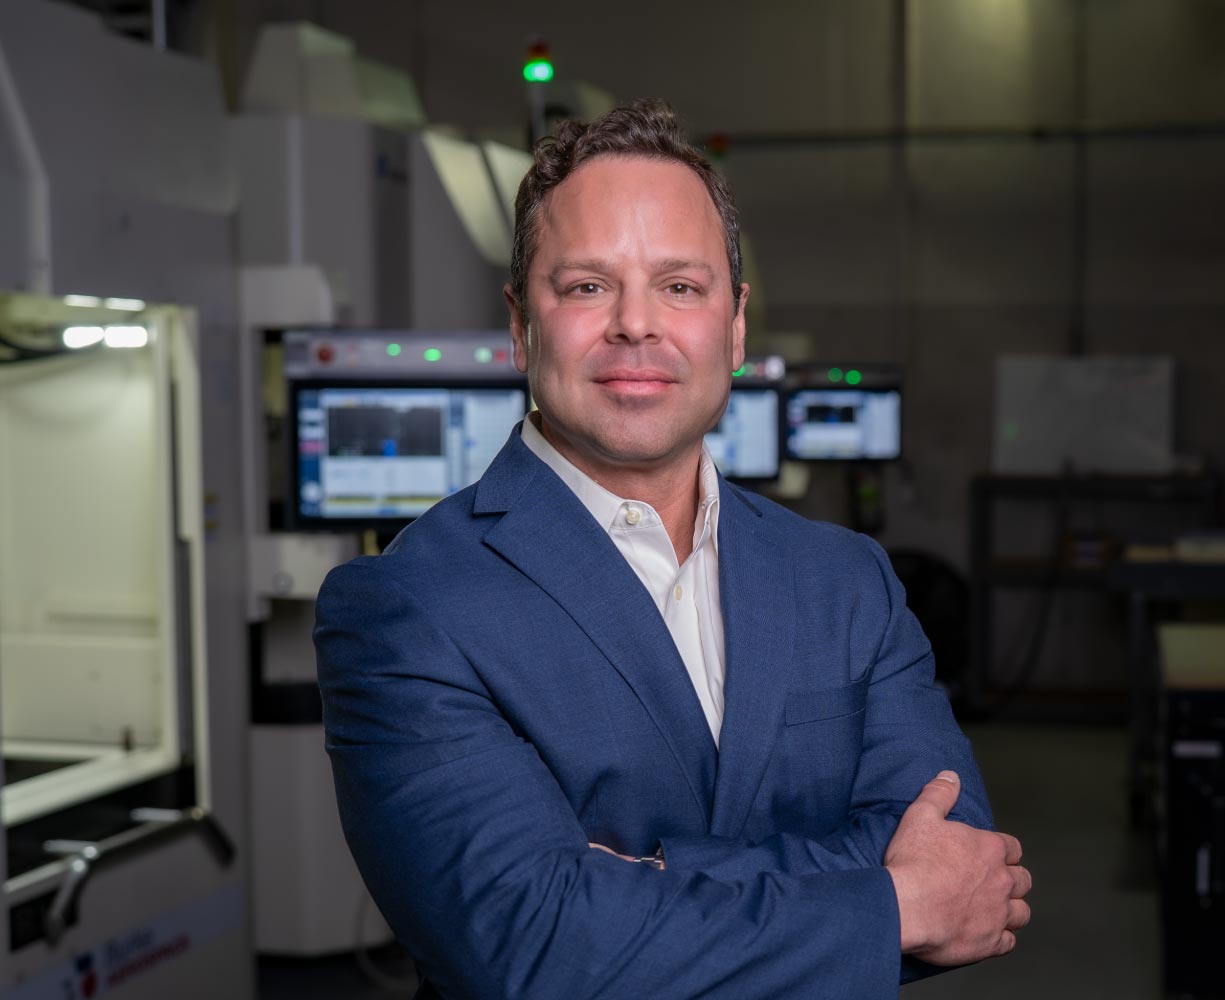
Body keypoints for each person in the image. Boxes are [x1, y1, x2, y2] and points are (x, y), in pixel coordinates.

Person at [315, 98, 1030, 1000]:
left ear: (735, 325)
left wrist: (645, 882)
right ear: (519, 324)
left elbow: (961, 857)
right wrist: (890, 902)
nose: (635, 324)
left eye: (680, 287)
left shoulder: (846, 581)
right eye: (586, 286)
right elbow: (532, 948)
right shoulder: (406, 607)